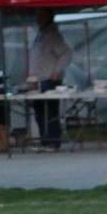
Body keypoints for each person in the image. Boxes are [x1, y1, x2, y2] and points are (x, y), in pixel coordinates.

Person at [28, 9, 73, 148]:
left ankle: (53, 141)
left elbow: (66, 53)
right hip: (38, 80)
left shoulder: (53, 34)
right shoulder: (41, 34)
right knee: (39, 110)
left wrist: (57, 70)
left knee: (50, 111)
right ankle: (44, 140)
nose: (37, 18)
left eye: (40, 15)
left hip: (49, 79)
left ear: (48, 17)